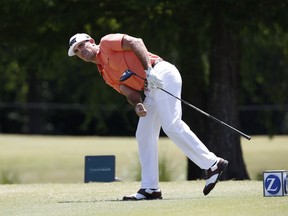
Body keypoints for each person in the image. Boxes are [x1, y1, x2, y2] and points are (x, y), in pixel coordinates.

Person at [68, 33, 228, 200]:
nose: (81, 50)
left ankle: (212, 164)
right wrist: (137, 104)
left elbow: (135, 42)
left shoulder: (107, 43)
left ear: (91, 42)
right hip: (149, 89)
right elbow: (128, 92)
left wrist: (149, 71)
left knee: (171, 125)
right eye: (77, 51)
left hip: (160, 72)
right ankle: (150, 188)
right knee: (144, 135)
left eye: (82, 45)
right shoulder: (105, 74)